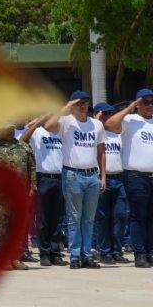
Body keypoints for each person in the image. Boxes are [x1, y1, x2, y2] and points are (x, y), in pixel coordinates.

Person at [44, 91, 106, 269]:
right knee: (74, 218)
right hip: (73, 174)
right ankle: (75, 256)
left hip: (92, 175)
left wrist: (103, 176)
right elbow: (48, 126)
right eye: (79, 103)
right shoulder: (66, 122)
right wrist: (65, 107)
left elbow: (101, 152)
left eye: (85, 102)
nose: (83, 105)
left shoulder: (96, 124)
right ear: (72, 105)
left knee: (89, 219)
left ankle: (87, 256)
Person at [104, 88, 153, 268]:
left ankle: (150, 251)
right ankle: (140, 254)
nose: (150, 105)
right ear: (138, 104)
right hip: (136, 176)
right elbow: (109, 124)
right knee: (138, 216)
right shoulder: (130, 120)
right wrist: (130, 107)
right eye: (145, 102)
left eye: (152, 102)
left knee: (151, 217)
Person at [0, 124, 37, 270]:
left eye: (11, 129)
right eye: (6, 129)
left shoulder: (24, 147)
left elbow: (32, 167)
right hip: (1, 194)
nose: (10, 131)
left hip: (20, 194)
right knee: (2, 227)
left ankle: (15, 258)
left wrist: (33, 187)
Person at [20, 114, 68, 266]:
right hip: (43, 178)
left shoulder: (60, 132)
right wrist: (37, 122)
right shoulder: (38, 132)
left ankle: (55, 253)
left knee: (57, 218)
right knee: (43, 218)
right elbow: (22, 140)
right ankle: (44, 253)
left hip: (60, 177)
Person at [92, 103, 130, 265]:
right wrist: (96, 120)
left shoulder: (118, 134)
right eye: (105, 113)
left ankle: (117, 250)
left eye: (111, 113)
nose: (108, 116)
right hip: (102, 178)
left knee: (120, 216)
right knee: (102, 217)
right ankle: (105, 252)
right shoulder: (94, 133)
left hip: (119, 178)